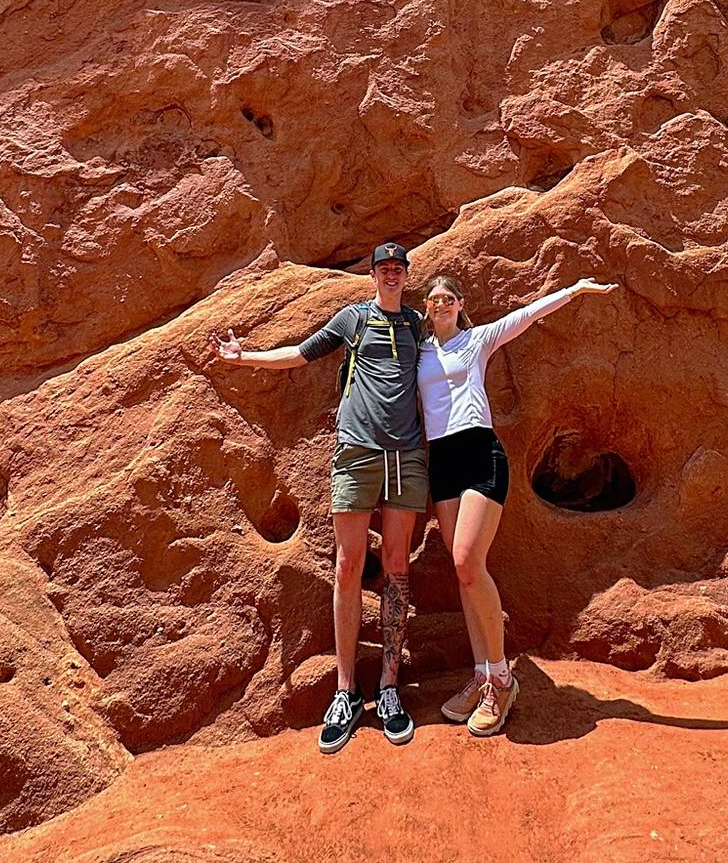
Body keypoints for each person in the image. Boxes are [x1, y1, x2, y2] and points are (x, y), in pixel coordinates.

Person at [215, 241, 427, 754]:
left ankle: (390, 687)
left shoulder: (418, 325)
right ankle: (346, 691)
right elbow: (300, 353)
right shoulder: (353, 320)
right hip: (357, 452)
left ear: (405, 275)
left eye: (399, 269)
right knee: (348, 565)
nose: (392, 275)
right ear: (373, 275)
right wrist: (245, 358)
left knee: (397, 563)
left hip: (408, 455)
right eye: (384, 269)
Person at [419, 272, 618, 736]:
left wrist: (575, 289)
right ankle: (483, 674)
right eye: (434, 299)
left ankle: (503, 679)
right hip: (441, 459)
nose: (442, 304)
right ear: (426, 308)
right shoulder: (419, 351)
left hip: (479, 453)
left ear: (460, 303)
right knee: (463, 574)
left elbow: (525, 316)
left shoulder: (477, 339)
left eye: (449, 297)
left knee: (469, 562)